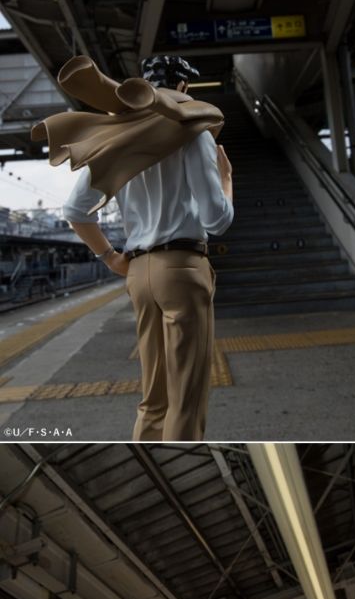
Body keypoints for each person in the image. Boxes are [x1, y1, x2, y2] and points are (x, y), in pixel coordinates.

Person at [58, 53, 233, 442]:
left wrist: (110, 257)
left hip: (137, 272)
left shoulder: (118, 135)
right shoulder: (194, 132)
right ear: (184, 87)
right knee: (186, 398)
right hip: (183, 268)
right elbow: (216, 220)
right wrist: (227, 181)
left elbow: (74, 210)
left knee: (152, 397)